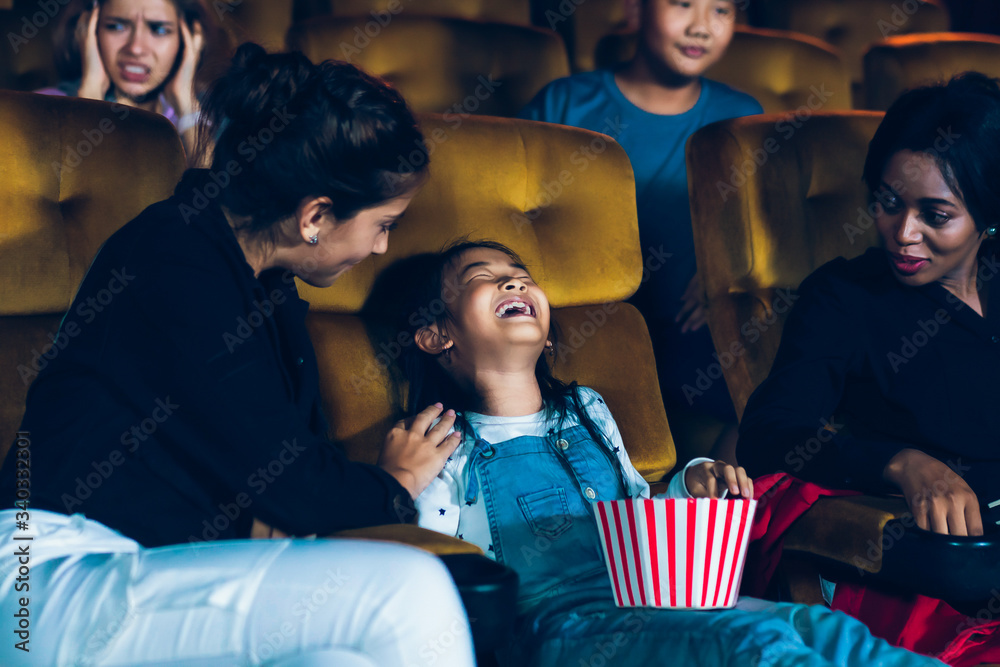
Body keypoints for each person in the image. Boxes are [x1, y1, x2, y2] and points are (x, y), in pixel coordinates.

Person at [0, 44, 472, 666]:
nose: (382, 247)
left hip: (159, 564)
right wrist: (396, 483)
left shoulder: (262, 284)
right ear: (316, 217)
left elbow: (290, 485)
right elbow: (298, 487)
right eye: (384, 223)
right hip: (50, 574)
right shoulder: (175, 260)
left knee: (341, 658)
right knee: (409, 593)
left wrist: (291, 502)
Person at [387, 239, 944, 666]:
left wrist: (693, 482)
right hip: (559, 630)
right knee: (755, 640)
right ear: (437, 335)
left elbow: (637, 508)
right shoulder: (442, 439)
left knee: (829, 631)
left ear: (549, 333)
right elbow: (430, 562)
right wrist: (404, 485)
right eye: (485, 279)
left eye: (522, 278)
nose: (513, 285)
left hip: (660, 599)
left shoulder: (585, 409)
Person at [738, 73, 1000, 538]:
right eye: (889, 203)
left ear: (988, 216)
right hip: (953, 554)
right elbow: (769, 434)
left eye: (935, 216)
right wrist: (900, 464)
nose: (903, 234)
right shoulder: (846, 297)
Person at [519, 0, 762, 449]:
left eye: (721, 11)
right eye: (683, 4)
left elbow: (761, 227)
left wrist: (726, 270)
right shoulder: (565, 102)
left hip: (693, 330)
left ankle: (718, 504)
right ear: (635, 10)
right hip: (578, 323)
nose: (701, 27)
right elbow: (509, 218)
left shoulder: (743, 116)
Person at [41, 0, 230, 162]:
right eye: (117, 26)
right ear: (87, 29)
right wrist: (91, 97)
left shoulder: (220, 114)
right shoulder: (45, 109)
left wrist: (187, 107)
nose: (136, 48)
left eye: (159, 29)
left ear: (191, 37)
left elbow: (217, 199)